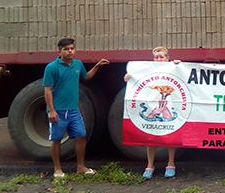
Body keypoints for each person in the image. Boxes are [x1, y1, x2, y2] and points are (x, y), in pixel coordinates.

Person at [43, 37, 109, 178]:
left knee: (81, 135)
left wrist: (97, 66)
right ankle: (57, 169)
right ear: (60, 51)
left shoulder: (78, 64)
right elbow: (47, 90)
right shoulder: (52, 67)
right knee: (56, 139)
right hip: (58, 111)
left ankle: (80, 166)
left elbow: (86, 77)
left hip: (73, 110)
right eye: (66, 49)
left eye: (72, 48)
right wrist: (52, 110)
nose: (70, 51)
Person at [124, 46, 181, 179]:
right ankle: (150, 165)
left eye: (162, 57)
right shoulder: (147, 70)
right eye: (156, 57)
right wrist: (129, 77)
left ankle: (171, 163)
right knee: (150, 136)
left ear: (167, 58)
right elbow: (135, 81)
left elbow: (183, 75)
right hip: (152, 105)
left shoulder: (173, 67)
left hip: (169, 104)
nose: (159, 59)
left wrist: (179, 65)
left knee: (170, 135)